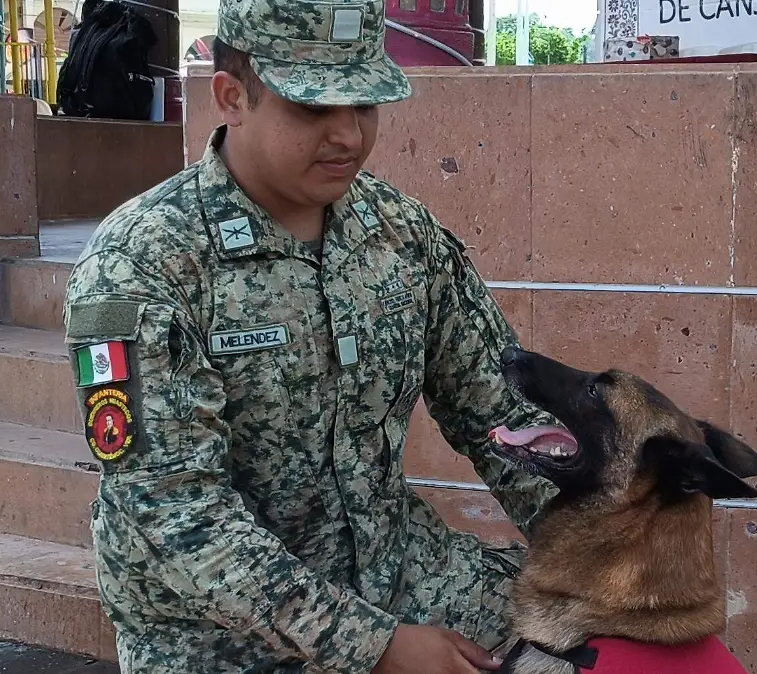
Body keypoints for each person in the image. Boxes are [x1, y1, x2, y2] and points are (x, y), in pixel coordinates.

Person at [60, 0, 560, 670]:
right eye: (313, 109)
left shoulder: (399, 234)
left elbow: (499, 413)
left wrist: (595, 553)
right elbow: (177, 514)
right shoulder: (141, 264)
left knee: (599, 647)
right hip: (219, 631)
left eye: (364, 106)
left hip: (399, 572)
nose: (349, 135)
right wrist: (376, 649)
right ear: (232, 97)